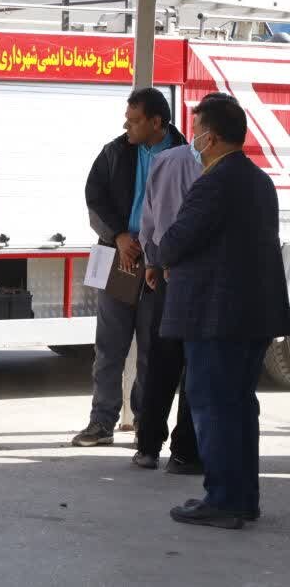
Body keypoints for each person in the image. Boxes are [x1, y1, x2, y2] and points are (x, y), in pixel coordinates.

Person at [158, 96, 290, 529]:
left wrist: (162, 252)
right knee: (237, 407)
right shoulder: (257, 179)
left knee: (215, 407)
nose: (193, 139)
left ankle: (225, 500)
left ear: (210, 137)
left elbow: (178, 241)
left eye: (196, 131)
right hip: (250, 315)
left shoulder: (215, 181)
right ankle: (240, 497)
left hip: (218, 317)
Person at [71, 87, 184, 446]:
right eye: (127, 118)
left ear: (156, 122)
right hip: (119, 258)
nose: (127, 126)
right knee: (109, 348)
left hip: (160, 263)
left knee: (153, 349)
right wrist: (118, 235)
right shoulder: (115, 152)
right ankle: (101, 423)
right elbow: (95, 197)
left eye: (134, 121)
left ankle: (144, 426)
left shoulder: (185, 155)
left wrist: (164, 254)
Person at [132, 95, 237, 473]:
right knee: (195, 368)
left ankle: (147, 447)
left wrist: (152, 261)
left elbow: (148, 219)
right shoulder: (215, 172)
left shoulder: (163, 162)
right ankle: (184, 452)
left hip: (165, 276)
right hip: (198, 279)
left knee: (160, 365)